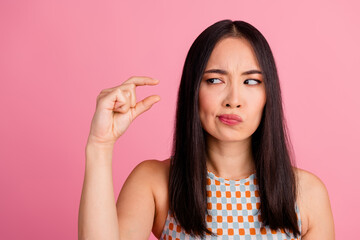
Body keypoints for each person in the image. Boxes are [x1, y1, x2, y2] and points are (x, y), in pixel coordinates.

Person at [78, 19, 335, 240]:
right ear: (193, 89)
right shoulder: (154, 182)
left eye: (251, 81)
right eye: (215, 80)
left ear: (269, 94)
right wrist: (100, 145)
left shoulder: (306, 194)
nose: (233, 99)